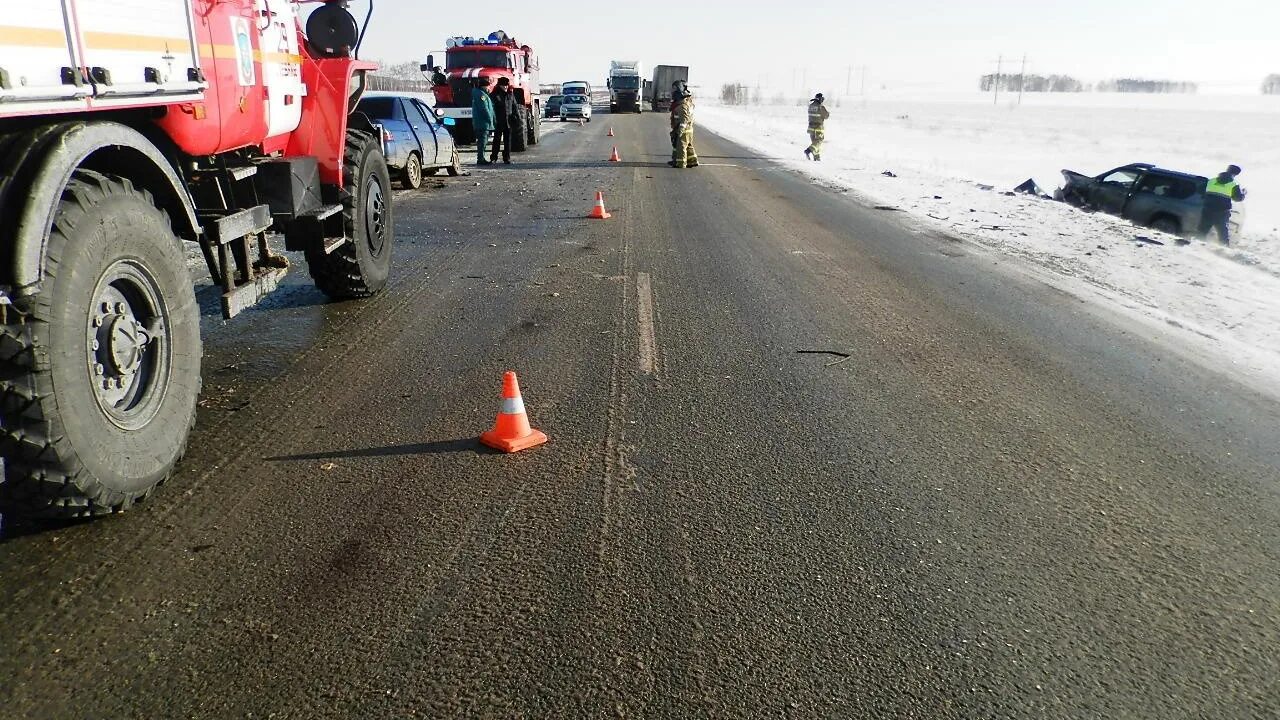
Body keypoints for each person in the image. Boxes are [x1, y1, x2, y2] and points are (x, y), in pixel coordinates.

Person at [1198, 165, 1245, 244]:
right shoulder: (1234, 185)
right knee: (1223, 235)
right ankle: (1223, 252)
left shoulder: (1211, 181)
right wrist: (1243, 194)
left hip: (1208, 210)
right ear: (1236, 174)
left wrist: (1207, 196)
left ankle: (1196, 248)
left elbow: (1199, 190)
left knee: (1202, 231)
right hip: (1222, 212)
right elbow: (1238, 198)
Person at [668, 85, 699, 169]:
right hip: (688, 130)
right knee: (688, 146)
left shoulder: (682, 106)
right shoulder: (688, 104)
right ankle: (692, 161)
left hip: (684, 130)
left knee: (681, 146)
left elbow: (684, 119)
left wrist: (680, 130)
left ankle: (681, 163)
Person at [489, 77, 518, 164]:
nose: (505, 87)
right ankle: (494, 157)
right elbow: (491, 108)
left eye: (506, 85)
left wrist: (516, 116)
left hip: (508, 121)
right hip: (498, 120)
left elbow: (514, 106)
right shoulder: (494, 94)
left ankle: (507, 157)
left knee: (507, 141)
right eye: (503, 85)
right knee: (496, 140)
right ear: (499, 85)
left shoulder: (510, 94)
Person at [470, 77, 496, 165]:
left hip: (481, 122)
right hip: (482, 123)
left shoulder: (481, 94)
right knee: (482, 141)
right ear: (484, 86)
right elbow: (484, 109)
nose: (489, 89)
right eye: (488, 87)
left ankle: (481, 157)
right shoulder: (482, 95)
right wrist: (490, 120)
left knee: (483, 141)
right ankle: (481, 159)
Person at [804, 93, 830, 161]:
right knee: (819, 141)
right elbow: (826, 116)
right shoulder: (820, 107)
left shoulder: (810, 106)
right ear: (820, 99)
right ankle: (808, 150)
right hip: (818, 127)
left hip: (810, 127)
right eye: (822, 99)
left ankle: (817, 158)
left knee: (815, 143)